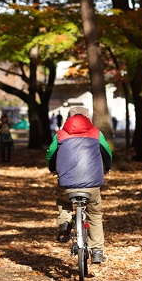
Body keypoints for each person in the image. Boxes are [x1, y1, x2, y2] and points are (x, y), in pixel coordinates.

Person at [45, 106, 112, 264]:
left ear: (68, 117)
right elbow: (107, 152)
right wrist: (106, 168)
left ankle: (64, 223)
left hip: (67, 184)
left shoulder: (60, 135)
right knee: (94, 214)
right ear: (87, 117)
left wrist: (52, 168)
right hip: (92, 184)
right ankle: (97, 251)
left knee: (63, 199)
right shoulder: (96, 133)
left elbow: (50, 154)